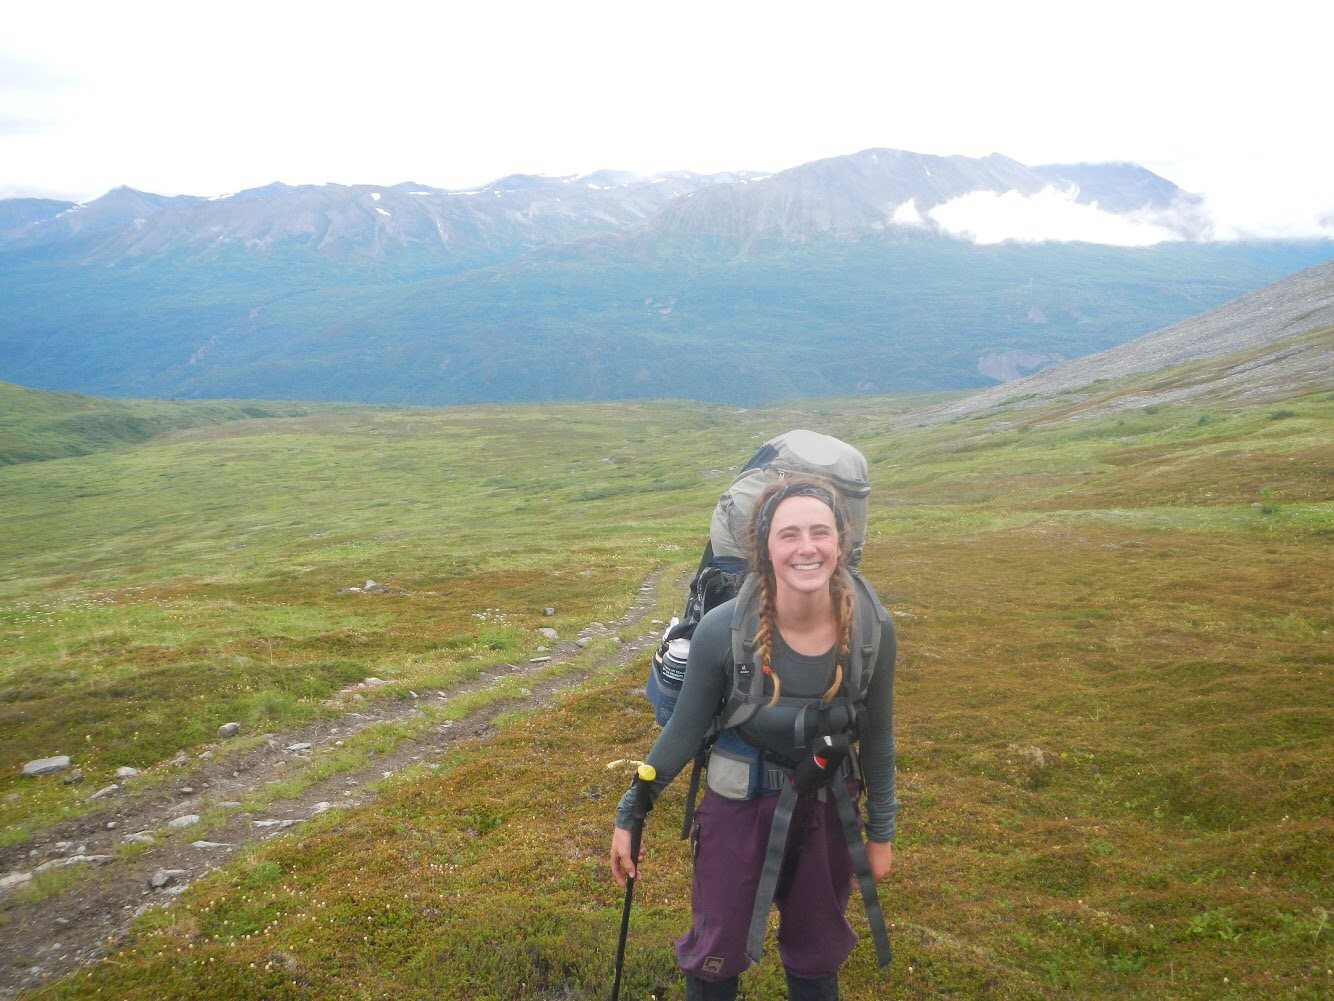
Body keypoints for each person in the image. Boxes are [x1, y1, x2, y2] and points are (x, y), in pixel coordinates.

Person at [611, 475, 897, 1001]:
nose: (807, 548)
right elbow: (684, 728)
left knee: (815, 956)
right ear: (764, 547)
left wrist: (880, 834)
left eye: (820, 532)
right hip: (736, 811)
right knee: (714, 957)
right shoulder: (723, 630)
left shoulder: (872, 629)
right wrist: (632, 812)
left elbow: (878, 739)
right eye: (789, 534)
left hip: (830, 812)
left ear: (841, 540)